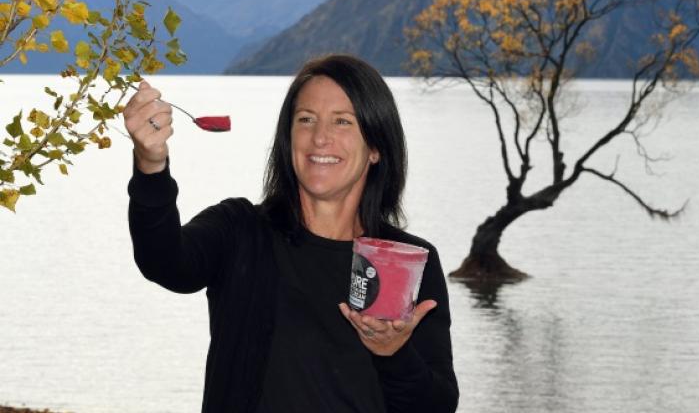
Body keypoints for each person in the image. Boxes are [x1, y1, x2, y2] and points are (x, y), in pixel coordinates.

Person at [123, 54, 459, 412]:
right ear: (288, 137)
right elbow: (164, 262)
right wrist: (151, 166)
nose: (320, 138)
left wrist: (394, 354)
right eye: (306, 120)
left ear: (376, 147)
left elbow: (436, 406)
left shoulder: (403, 259)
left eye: (343, 122)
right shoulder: (241, 230)